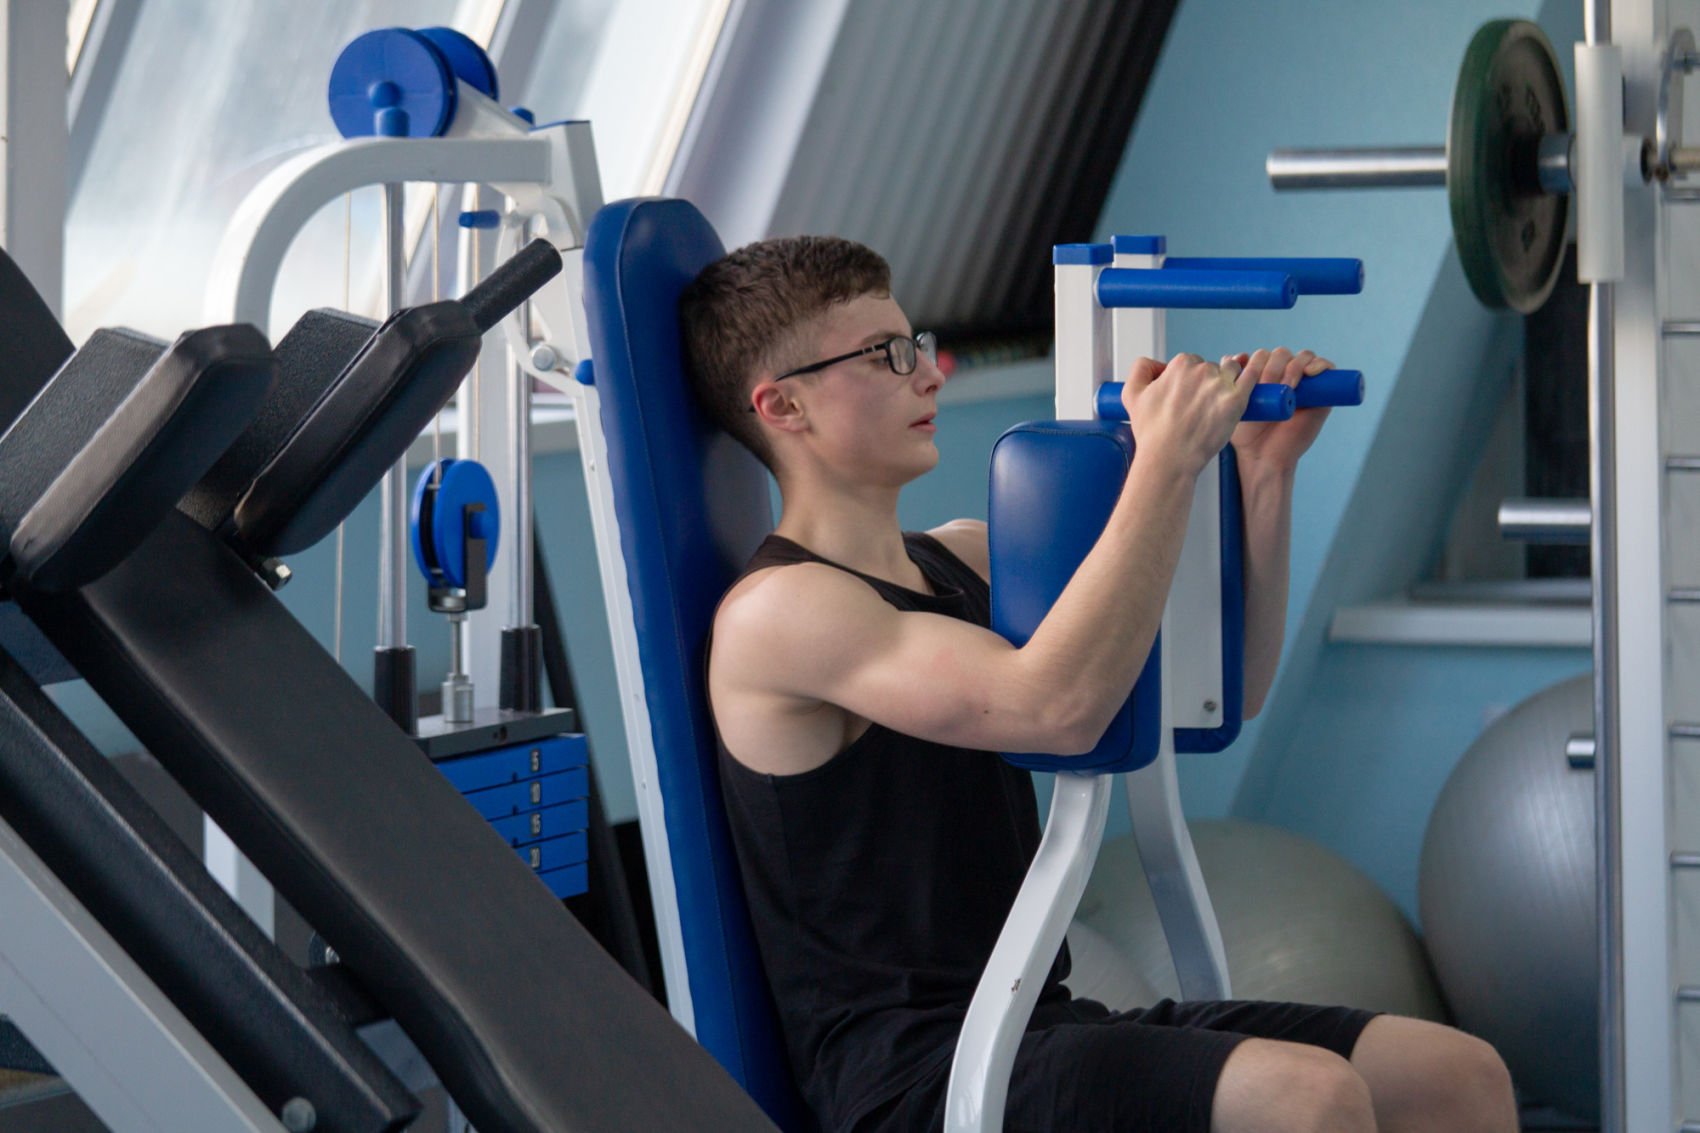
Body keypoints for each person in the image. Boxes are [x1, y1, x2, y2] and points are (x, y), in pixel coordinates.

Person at [681, 235, 1516, 1133]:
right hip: (917, 1075)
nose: (927, 374)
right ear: (783, 404)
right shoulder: (780, 613)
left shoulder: (964, 555)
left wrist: (1262, 472)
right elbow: (1057, 708)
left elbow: (1225, 685)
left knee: (1453, 1075)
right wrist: (1163, 462)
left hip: (1036, 1023)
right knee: (1308, 1098)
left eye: (916, 344)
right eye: (885, 355)